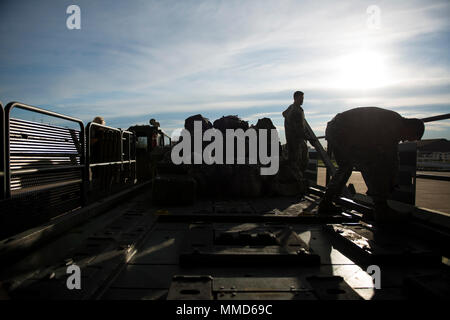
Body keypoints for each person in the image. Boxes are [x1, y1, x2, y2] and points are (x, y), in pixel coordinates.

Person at [318, 107, 425, 223]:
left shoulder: (394, 123)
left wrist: (389, 181)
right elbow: (390, 157)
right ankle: (381, 210)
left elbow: (390, 157)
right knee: (369, 164)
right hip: (342, 130)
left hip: (335, 128)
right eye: (410, 137)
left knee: (346, 167)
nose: (405, 141)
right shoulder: (393, 125)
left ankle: (326, 202)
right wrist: (389, 183)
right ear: (410, 128)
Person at [282, 91, 309, 180]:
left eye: (303, 99)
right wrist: (308, 137)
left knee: (294, 161)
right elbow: (299, 129)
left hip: (293, 140)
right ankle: (297, 182)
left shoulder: (291, 108)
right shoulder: (296, 111)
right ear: (295, 98)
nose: (302, 101)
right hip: (296, 141)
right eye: (301, 98)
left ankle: (295, 181)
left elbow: (284, 113)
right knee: (299, 162)